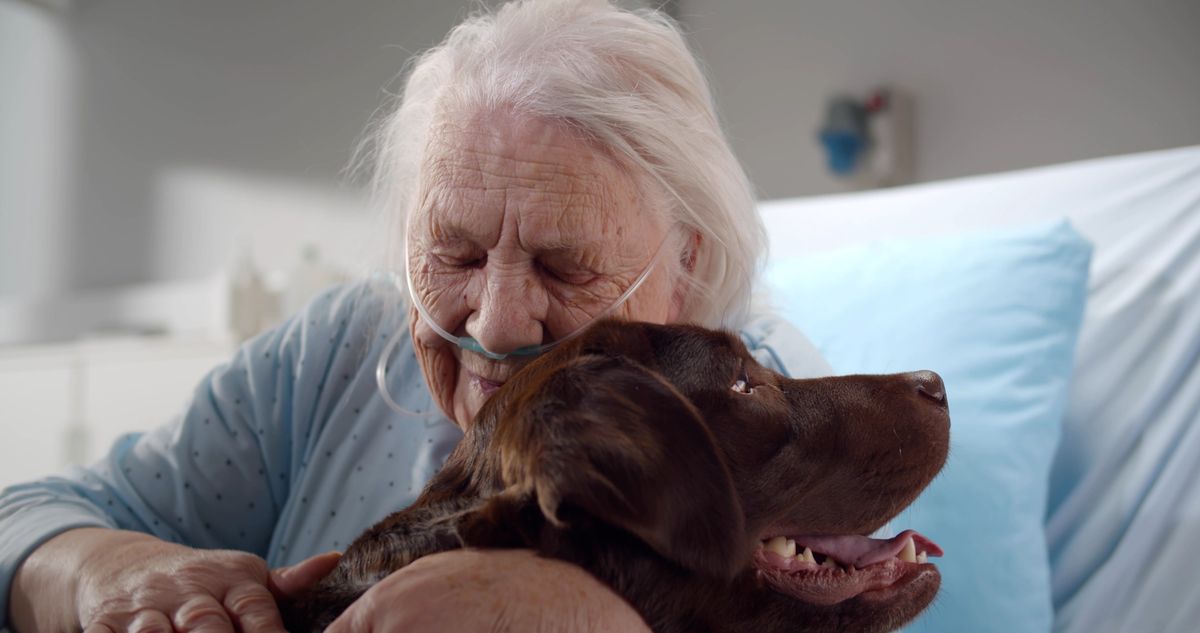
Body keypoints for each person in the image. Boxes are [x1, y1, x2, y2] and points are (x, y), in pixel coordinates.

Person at [1, 1, 831, 631]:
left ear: (686, 264)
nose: (499, 323)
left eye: (562, 265)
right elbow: (25, 516)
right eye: (458, 255)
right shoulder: (334, 350)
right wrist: (103, 570)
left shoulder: (756, 409)